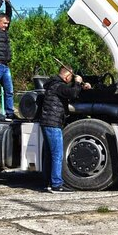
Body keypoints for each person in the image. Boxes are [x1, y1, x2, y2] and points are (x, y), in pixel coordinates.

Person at [40, 64, 91, 193]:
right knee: (57, 155)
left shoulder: (53, 84)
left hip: (47, 123)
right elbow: (72, 93)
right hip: (53, 124)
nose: (71, 80)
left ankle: (47, 183)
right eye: (71, 77)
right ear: (67, 75)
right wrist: (78, 83)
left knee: (49, 155)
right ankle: (57, 184)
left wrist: (80, 87)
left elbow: (70, 91)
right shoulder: (58, 86)